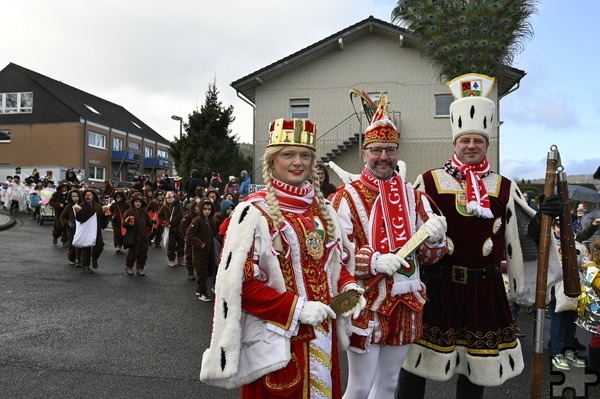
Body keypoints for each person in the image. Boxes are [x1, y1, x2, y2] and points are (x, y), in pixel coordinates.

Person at [397, 74, 563, 398]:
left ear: (487, 144)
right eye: (465, 140)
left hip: (484, 290)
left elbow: (520, 237)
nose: (471, 145)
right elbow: (405, 234)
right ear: (454, 144)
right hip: (437, 288)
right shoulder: (428, 182)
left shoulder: (503, 186)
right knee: (415, 369)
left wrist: (543, 217)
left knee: (475, 375)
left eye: (478, 141)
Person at [200, 118, 366, 397]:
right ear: (272, 162)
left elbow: (334, 265)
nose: (297, 162)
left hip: (322, 337)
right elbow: (240, 285)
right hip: (276, 343)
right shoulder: (253, 213)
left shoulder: (323, 209)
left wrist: (348, 286)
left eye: (305, 155)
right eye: (287, 154)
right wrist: (297, 309)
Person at [328, 94, 448, 399]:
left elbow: (429, 257)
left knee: (388, 385)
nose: (384, 156)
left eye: (391, 150)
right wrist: (373, 261)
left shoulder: (415, 197)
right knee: (358, 387)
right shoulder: (346, 197)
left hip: (407, 306)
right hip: (366, 305)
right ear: (364, 153)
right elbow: (335, 254)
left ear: (398, 153)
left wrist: (435, 240)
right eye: (377, 150)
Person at [547, 218, 586, 371]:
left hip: (573, 289)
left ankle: (568, 352)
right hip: (555, 288)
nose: (561, 229)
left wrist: (584, 265)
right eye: (558, 226)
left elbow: (584, 262)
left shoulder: (579, 246)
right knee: (556, 321)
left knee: (571, 322)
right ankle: (557, 354)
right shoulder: (549, 244)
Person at [186, 198, 217, 301]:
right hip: (199, 252)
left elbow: (214, 234)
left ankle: (199, 289)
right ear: (200, 209)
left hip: (210, 251)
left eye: (209, 209)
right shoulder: (197, 221)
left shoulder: (211, 221)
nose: (207, 211)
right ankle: (203, 293)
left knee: (207, 271)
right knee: (201, 272)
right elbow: (189, 236)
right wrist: (200, 244)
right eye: (204, 209)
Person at [73, 189, 105, 274]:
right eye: (86, 195)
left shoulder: (98, 206)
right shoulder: (81, 206)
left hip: (96, 230)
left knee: (100, 245)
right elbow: (79, 219)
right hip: (87, 230)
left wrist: (105, 218)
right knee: (86, 248)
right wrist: (78, 212)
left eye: (89, 195)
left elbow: (102, 217)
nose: (88, 196)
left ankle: (94, 258)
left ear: (93, 196)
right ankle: (85, 266)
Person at [122, 192, 152, 276]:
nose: (138, 203)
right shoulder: (128, 212)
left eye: (139, 201)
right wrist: (127, 223)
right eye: (136, 201)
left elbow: (148, 222)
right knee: (133, 252)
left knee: (143, 252)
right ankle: (129, 266)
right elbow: (123, 224)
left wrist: (152, 222)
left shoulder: (144, 212)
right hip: (133, 235)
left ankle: (140, 268)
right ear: (133, 202)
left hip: (143, 236)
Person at [158, 190, 185, 267]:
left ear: (175, 198)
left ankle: (181, 258)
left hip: (178, 228)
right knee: (171, 245)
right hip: (169, 230)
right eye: (167, 198)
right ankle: (171, 259)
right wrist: (163, 222)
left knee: (181, 243)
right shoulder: (164, 207)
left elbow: (179, 216)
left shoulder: (178, 206)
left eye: (171, 197)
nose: (169, 199)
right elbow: (160, 215)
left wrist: (170, 223)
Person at [59, 188, 82, 267]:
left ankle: (80, 259)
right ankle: (71, 258)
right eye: (73, 196)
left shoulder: (82, 205)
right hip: (71, 227)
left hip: (81, 227)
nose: (75, 198)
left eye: (77, 196)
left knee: (81, 243)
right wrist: (67, 223)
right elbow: (62, 218)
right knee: (71, 243)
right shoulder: (68, 207)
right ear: (70, 197)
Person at [181, 197, 202, 282]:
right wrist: (188, 235)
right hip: (191, 240)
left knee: (200, 256)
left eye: (199, 207)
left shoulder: (202, 217)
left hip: (200, 240)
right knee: (189, 255)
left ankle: (199, 271)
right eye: (196, 207)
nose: (197, 209)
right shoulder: (188, 216)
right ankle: (190, 271)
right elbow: (183, 226)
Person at [49, 181, 70, 246]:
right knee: (58, 227)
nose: (64, 188)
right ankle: (55, 236)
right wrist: (58, 204)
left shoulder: (69, 194)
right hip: (58, 213)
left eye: (66, 187)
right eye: (63, 187)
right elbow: (51, 202)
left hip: (67, 213)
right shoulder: (56, 194)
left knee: (66, 227)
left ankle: (65, 240)